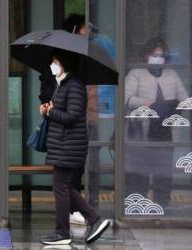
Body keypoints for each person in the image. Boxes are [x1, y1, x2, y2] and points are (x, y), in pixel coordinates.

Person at [40, 49, 110, 245]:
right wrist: (47, 111)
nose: (52, 65)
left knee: (61, 187)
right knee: (64, 187)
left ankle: (64, 232)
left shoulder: (75, 86)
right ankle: (94, 221)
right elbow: (62, 113)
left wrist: (52, 112)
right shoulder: (62, 85)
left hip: (69, 145)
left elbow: (72, 117)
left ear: (64, 63)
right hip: (62, 144)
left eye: (55, 61)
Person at [125, 37, 188, 206]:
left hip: (165, 132)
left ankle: (163, 203)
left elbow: (184, 99)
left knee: (164, 172)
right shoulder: (136, 74)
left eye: (160, 55)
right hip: (142, 133)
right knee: (140, 172)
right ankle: (138, 203)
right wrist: (143, 102)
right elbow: (126, 98)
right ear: (146, 55)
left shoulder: (172, 74)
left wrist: (179, 104)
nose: (157, 58)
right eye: (154, 54)